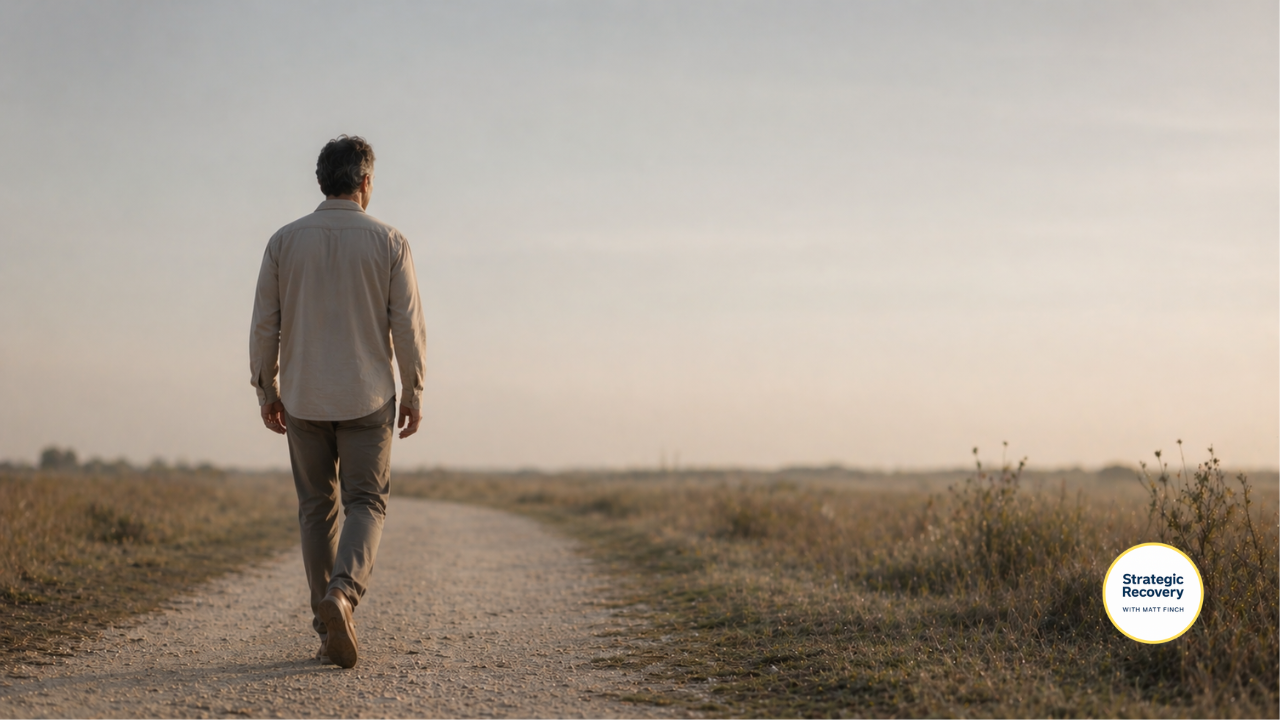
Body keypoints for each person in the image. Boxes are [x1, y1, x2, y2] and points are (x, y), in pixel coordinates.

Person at [249, 135, 426, 669]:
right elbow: (407, 326)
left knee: (314, 509)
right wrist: (415, 388)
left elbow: (265, 324)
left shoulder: (283, 242)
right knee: (366, 504)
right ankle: (342, 597)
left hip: (303, 395)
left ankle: (326, 630)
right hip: (367, 394)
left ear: (322, 182)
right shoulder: (390, 241)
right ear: (366, 182)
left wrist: (266, 388)